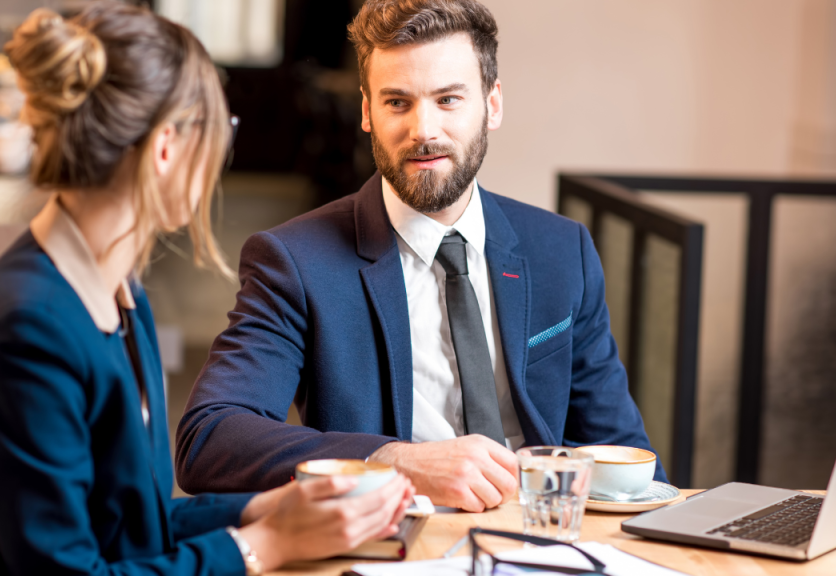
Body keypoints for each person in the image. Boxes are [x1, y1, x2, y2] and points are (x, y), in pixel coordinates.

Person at [0, 3, 414, 575]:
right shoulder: (25, 332)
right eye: (218, 132)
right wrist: (266, 545)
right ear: (164, 148)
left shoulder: (116, 296)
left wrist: (267, 507)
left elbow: (132, 527)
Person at [177, 0, 666, 513]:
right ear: (367, 111)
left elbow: (625, 455)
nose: (424, 130)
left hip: (545, 540)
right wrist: (394, 461)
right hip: (395, 547)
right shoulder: (295, 262)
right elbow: (209, 439)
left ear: (492, 104)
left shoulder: (563, 251)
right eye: (397, 102)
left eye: (448, 99)